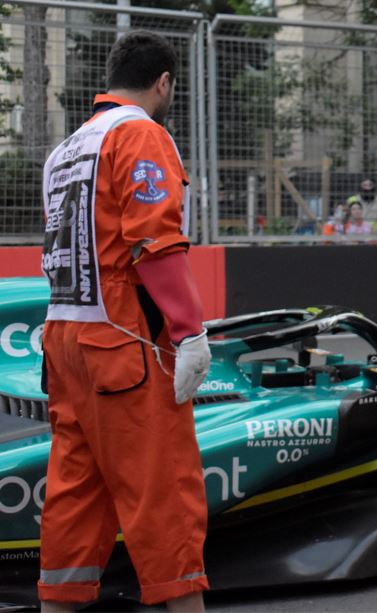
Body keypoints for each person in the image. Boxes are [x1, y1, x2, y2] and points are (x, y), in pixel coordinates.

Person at [38, 31, 212, 611]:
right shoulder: (139, 133)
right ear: (163, 82)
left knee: (74, 495)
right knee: (165, 494)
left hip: (64, 337)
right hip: (122, 339)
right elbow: (154, 241)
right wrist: (188, 330)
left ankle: (58, 600)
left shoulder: (65, 149)